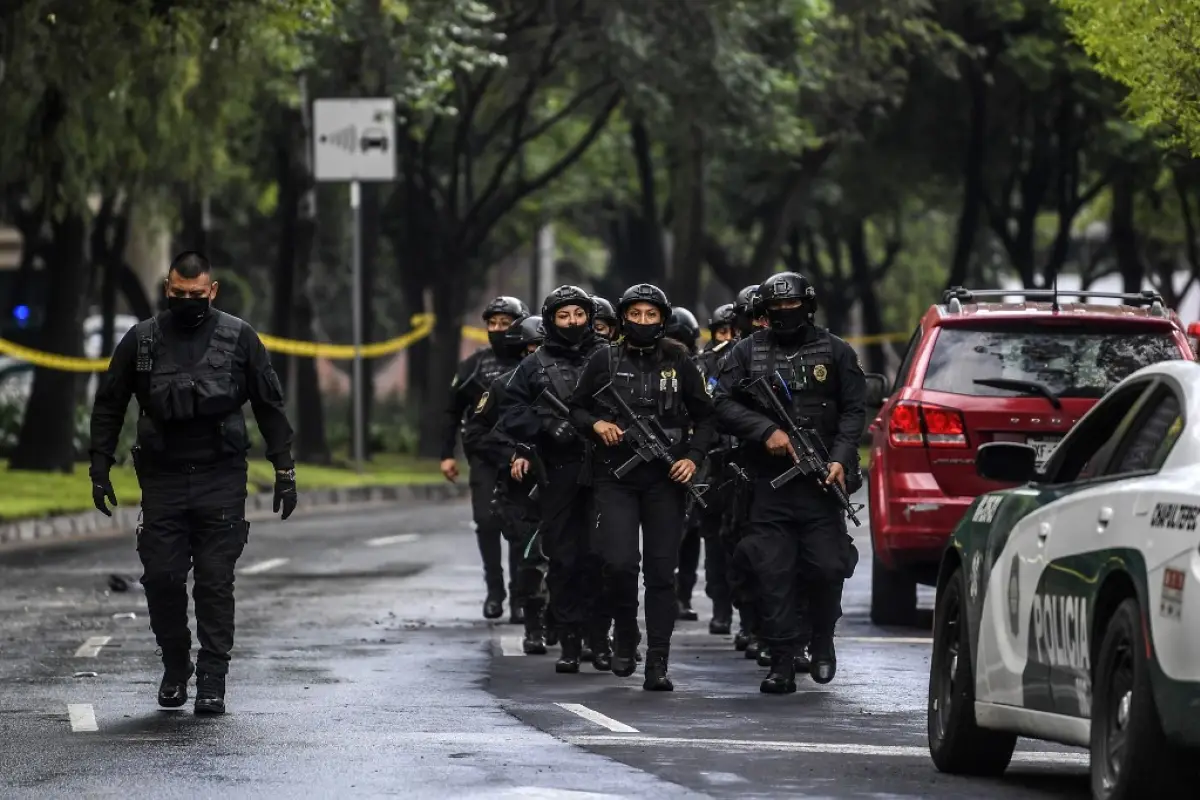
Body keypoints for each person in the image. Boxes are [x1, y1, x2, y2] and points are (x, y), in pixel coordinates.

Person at [88, 251, 296, 715]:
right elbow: (110, 404)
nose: (187, 302)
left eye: (197, 295)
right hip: (162, 478)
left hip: (220, 476)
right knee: (161, 577)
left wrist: (284, 470)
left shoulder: (239, 337)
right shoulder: (142, 341)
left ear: (212, 291)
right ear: (167, 288)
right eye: (179, 295)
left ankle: (213, 677)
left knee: (215, 580)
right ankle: (176, 665)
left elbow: (269, 405)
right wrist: (99, 466)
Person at [713, 272, 865, 693]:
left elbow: (855, 411)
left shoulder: (836, 352)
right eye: (776, 308)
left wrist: (838, 458)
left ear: (808, 306)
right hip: (767, 485)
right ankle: (781, 660)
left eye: (791, 305)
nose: (784, 314)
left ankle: (821, 639)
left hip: (821, 484)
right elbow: (719, 402)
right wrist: (765, 431)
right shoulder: (746, 353)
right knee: (772, 572)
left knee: (827, 566)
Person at [569, 284, 717, 691]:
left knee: (660, 574)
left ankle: (658, 660)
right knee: (617, 564)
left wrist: (693, 458)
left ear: (662, 319)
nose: (643, 322)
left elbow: (706, 417)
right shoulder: (604, 359)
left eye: (651, 315)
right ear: (623, 317)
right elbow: (577, 407)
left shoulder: (680, 361)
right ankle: (625, 631)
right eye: (635, 314)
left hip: (665, 481)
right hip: (614, 478)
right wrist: (597, 424)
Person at [502, 286, 610, 674]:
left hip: (606, 471)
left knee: (602, 558)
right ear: (552, 320)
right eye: (564, 317)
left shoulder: (608, 356)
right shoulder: (535, 364)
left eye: (578, 315)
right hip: (559, 473)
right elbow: (509, 410)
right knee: (564, 560)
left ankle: (600, 638)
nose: (572, 323)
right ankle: (569, 639)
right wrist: (546, 425)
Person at [440, 295, 529, 620]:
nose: (498, 329)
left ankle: (522, 596)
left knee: (521, 527)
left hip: (524, 457)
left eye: (505, 323)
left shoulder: (532, 362)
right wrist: (446, 454)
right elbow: (452, 410)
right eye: (492, 323)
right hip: (484, 456)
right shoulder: (474, 365)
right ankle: (495, 591)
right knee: (487, 521)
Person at [465, 315, 549, 648]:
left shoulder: (576, 380)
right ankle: (531, 621)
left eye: (542, 347)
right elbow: (475, 434)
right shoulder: (504, 386)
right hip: (522, 486)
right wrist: (512, 454)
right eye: (529, 348)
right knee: (529, 554)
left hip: (567, 481)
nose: (536, 354)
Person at [695, 302, 739, 635]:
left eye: (736, 332)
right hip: (713, 464)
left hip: (746, 459)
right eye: (723, 332)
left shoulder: (755, 360)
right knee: (715, 540)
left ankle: (753, 618)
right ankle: (721, 607)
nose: (730, 339)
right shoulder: (702, 366)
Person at [664, 307, 703, 622]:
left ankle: (683, 595)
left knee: (693, 530)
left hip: (696, 457)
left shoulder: (699, 368)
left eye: (681, 339)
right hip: (661, 454)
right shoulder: (650, 367)